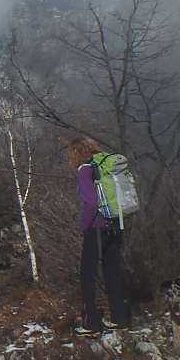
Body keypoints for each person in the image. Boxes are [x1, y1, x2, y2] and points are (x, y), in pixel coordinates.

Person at [70, 137, 131, 334]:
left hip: (97, 228)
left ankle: (91, 324)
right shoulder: (105, 167)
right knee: (112, 273)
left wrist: (84, 226)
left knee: (87, 275)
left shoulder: (84, 170)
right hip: (116, 223)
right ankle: (120, 319)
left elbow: (92, 203)